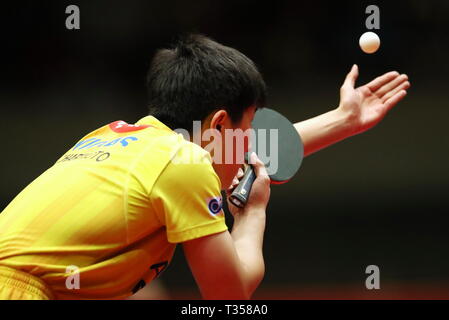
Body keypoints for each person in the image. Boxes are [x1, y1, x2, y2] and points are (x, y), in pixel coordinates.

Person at [0, 34, 410, 300]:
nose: (250, 142)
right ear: (218, 124)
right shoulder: (187, 164)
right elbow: (228, 295)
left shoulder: (119, 137)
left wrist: (343, 121)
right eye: (247, 127)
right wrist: (252, 215)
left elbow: (243, 152)